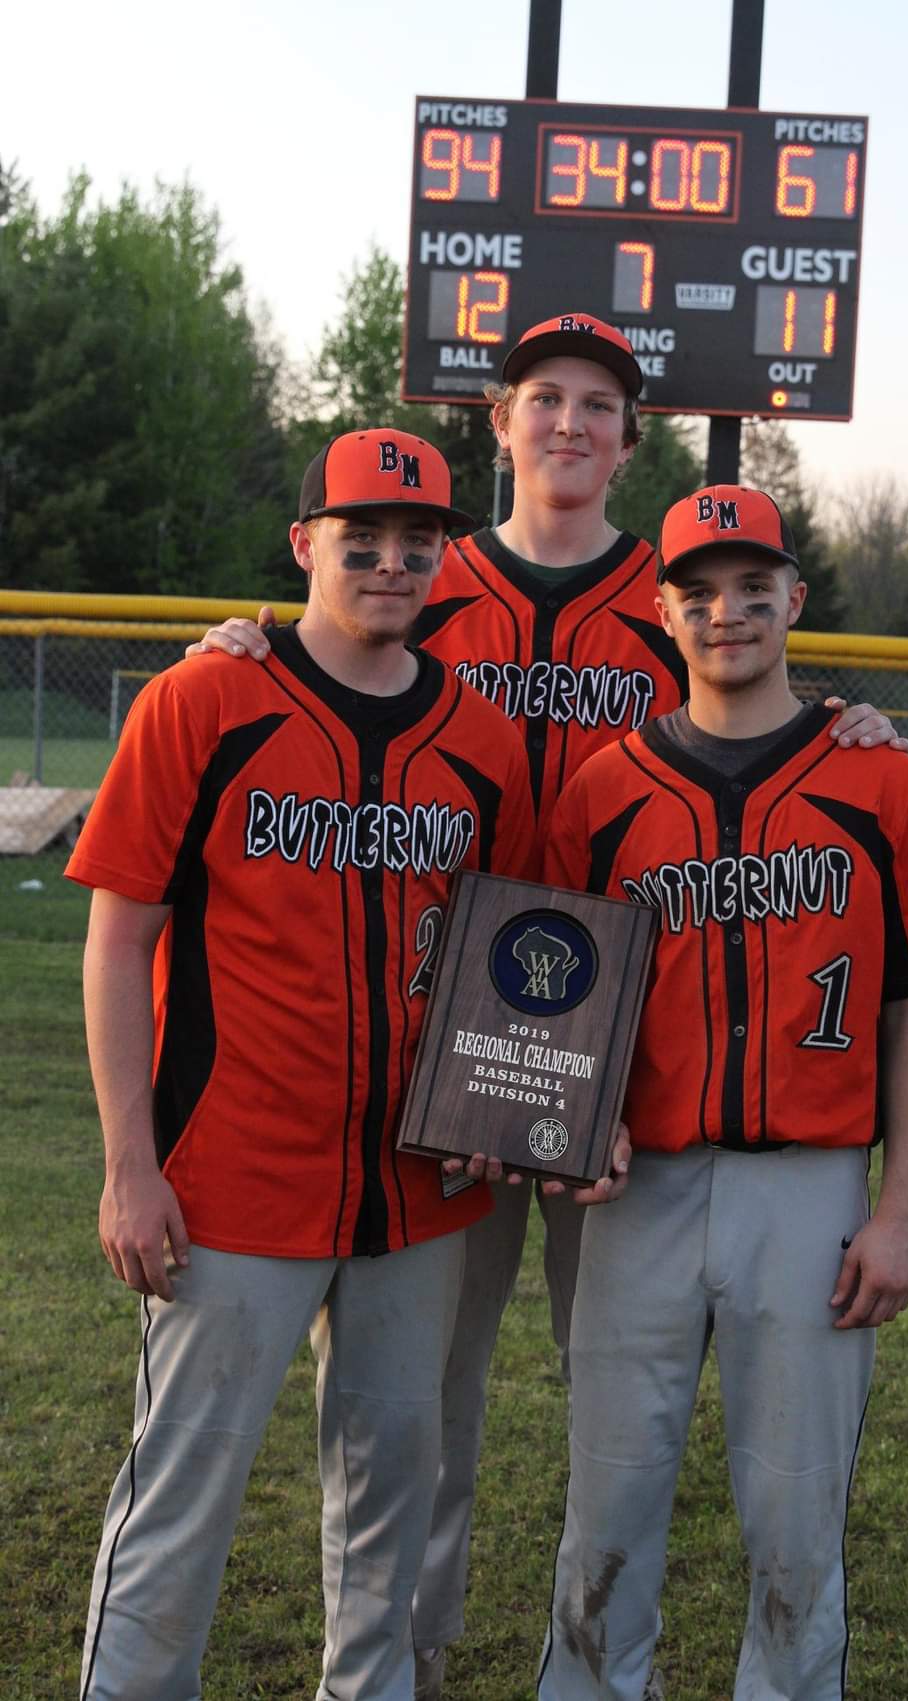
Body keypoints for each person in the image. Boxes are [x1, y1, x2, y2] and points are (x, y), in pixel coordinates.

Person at [186, 317, 908, 1701]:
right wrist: (247, 637)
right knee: (422, 1403)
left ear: (631, 441)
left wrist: (850, 719)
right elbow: (325, 654)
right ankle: (407, 1659)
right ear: (498, 426)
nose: (569, 425)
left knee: (615, 1390)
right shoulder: (420, 573)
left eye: (597, 405)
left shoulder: (668, 593)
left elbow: (751, 689)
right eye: (542, 401)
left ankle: (593, 1650)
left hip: (622, 1058)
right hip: (432, 1046)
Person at [67, 430, 540, 1701]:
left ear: (446, 559)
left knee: (393, 1503)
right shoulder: (204, 700)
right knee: (179, 1497)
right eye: (362, 539)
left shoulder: (481, 741)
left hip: (419, 1188)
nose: (392, 564)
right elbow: (118, 946)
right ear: (304, 545)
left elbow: (513, 957)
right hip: (230, 1178)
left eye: (418, 544)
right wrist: (131, 1169)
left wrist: (506, 1104)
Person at [535, 483, 908, 1701]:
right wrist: (579, 1115)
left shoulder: (884, 782)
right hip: (643, 1193)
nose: (728, 611)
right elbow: (563, 988)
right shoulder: (603, 790)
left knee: (795, 1520)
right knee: (606, 1508)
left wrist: (901, 1211)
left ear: (794, 596)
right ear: (663, 610)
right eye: (699, 591)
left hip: (814, 1191)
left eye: (751, 585)